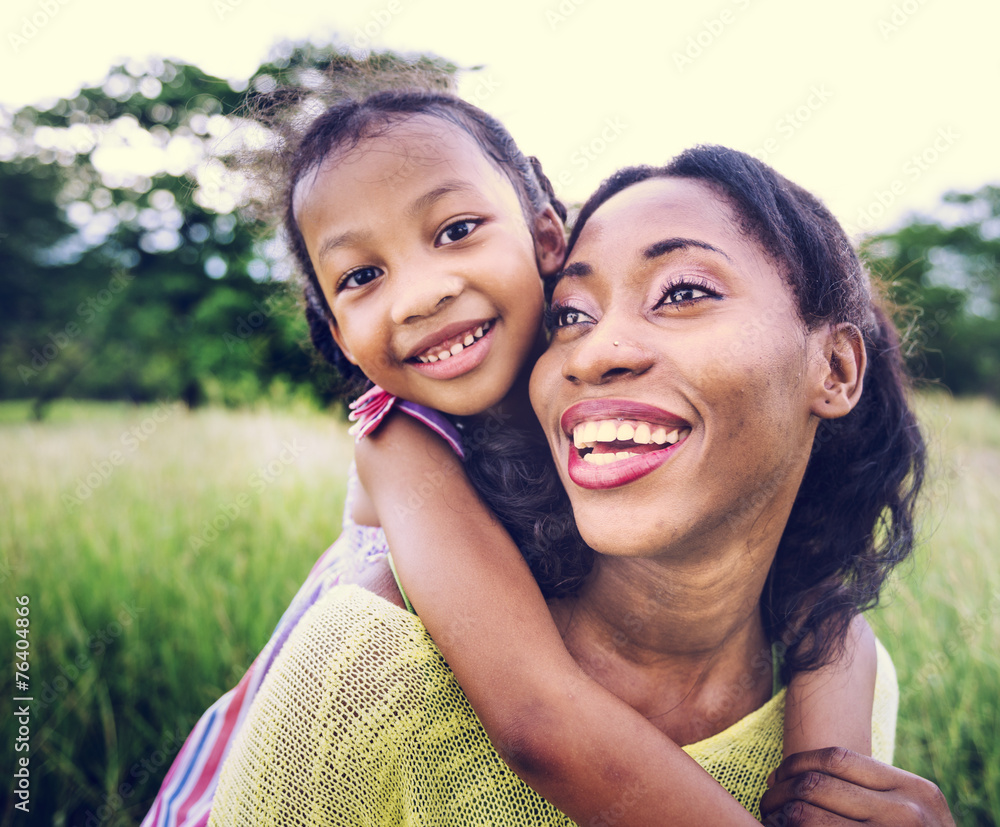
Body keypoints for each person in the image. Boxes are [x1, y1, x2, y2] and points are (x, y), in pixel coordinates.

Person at [200, 106, 948, 823]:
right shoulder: (400, 448)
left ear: (543, 238)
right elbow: (536, 716)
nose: (421, 294)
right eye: (362, 275)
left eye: (456, 230)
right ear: (337, 329)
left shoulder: (829, 643)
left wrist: (837, 789)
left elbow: (829, 623)